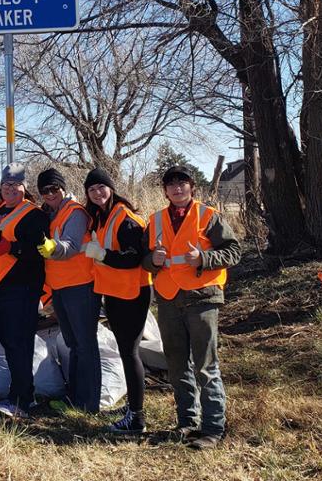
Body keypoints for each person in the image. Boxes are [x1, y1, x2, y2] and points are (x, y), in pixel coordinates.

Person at [142, 165, 241, 449]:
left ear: (191, 187)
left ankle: (213, 428)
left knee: (205, 365)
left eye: (182, 183)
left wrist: (205, 259)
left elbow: (234, 251)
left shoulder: (208, 216)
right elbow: (144, 259)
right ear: (165, 191)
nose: (177, 188)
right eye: (171, 184)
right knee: (176, 364)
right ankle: (187, 422)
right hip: (169, 299)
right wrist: (153, 261)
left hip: (201, 298)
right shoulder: (156, 220)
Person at [80, 167, 152, 433]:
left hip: (132, 293)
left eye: (101, 187)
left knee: (130, 352)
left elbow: (134, 256)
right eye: (92, 189)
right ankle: (134, 405)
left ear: (111, 188)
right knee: (125, 352)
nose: (97, 193)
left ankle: (136, 419)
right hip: (115, 293)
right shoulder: (102, 216)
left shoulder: (126, 218)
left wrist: (103, 255)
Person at [0, 163, 48, 419]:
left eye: (15, 185)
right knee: (9, 343)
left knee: (19, 343)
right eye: (6, 184)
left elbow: (42, 252)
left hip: (21, 289)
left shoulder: (34, 215)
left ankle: (21, 399)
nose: (9, 189)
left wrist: (14, 248)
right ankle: (19, 393)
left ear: (24, 187)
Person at [36, 167, 101, 413]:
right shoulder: (51, 213)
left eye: (54, 188)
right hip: (60, 287)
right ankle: (74, 397)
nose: (50, 193)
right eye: (45, 191)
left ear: (63, 188)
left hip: (80, 286)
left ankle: (90, 402)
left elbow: (72, 246)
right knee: (73, 344)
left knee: (85, 344)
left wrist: (52, 247)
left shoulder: (75, 213)